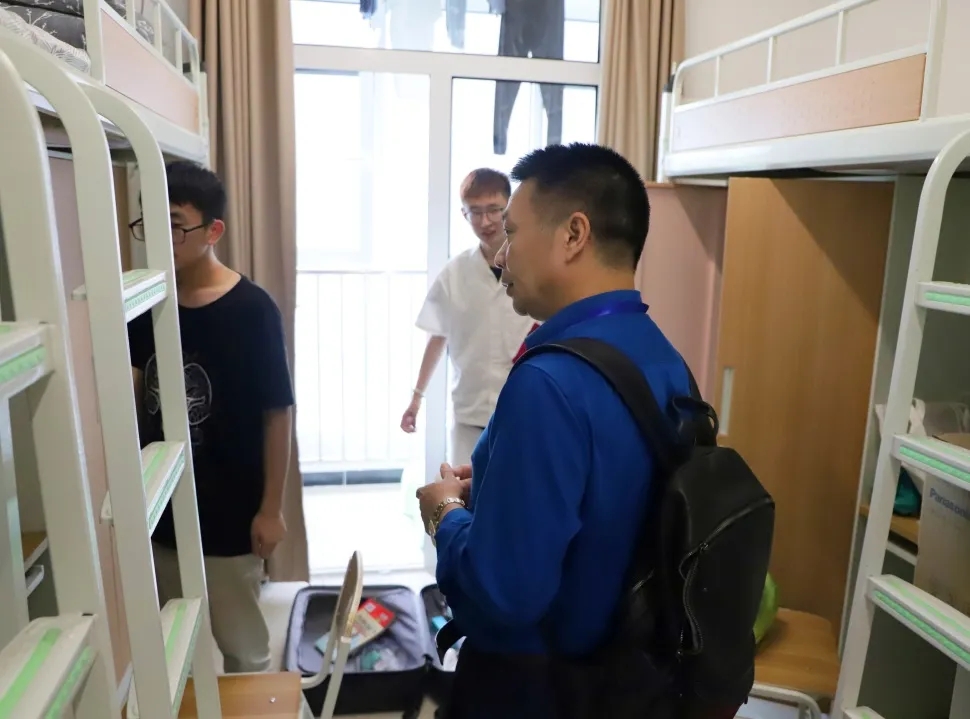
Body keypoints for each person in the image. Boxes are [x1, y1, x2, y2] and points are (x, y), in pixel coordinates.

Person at [416, 143, 692, 718]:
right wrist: (498, 488)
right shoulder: (664, 358)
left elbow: (505, 593)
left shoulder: (548, 381)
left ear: (573, 235)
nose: (502, 256)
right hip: (628, 671)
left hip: (540, 686)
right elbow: (612, 496)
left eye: (513, 232)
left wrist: (445, 514)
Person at [128, 160, 294, 673]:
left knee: (244, 649)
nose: (161, 237)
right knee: (171, 648)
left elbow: (277, 413)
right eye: (149, 222)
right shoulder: (144, 303)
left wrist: (271, 509)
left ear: (213, 231)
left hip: (229, 512)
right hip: (160, 507)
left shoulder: (252, 310)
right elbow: (132, 396)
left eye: (175, 224)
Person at [400, 168, 536, 466]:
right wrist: (416, 397)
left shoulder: (535, 266)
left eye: (494, 210)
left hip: (524, 412)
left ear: (509, 208)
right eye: (475, 212)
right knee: (465, 489)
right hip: (469, 415)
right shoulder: (455, 272)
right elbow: (437, 335)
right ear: (464, 214)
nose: (485, 221)